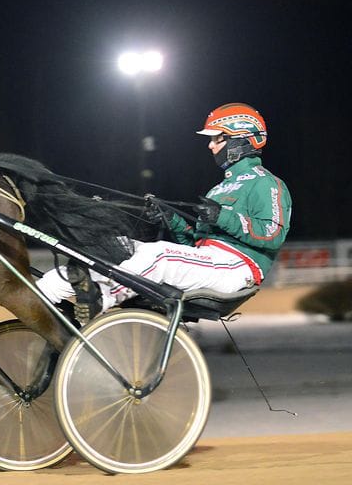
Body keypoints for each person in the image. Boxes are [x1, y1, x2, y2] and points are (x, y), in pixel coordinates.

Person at [36, 102, 293, 323]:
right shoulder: (219, 189)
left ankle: (101, 299)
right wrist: (174, 222)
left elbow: (273, 234)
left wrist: (222, 217)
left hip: (237, 268)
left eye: (217, 138)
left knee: (158, 255)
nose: (211, 146)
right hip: (209, 261)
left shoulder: (265, 182)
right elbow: (194, 245)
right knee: (122, 247)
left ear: (240, 139)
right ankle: (49, 288)